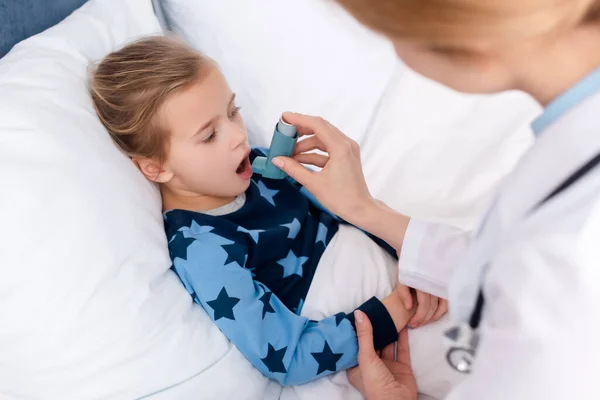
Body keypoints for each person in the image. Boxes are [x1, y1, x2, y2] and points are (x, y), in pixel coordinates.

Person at [270, 0, 600, 398]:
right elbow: (506, 267)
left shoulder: (565, 251)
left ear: (466, 38)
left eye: (390, 33)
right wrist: (364, 210)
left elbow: (534, 281)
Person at [88, 36, 449, 387]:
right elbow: (287, 357)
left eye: (232, 112)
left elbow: (351, 212)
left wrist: (408, 252)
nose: (237, 136)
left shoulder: (262, 164)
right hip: (382, 323)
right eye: (209, 135)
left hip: (407, 276)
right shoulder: (201, 247)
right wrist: (399, 309)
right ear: (155, 168)